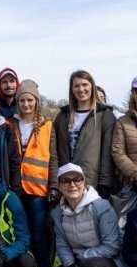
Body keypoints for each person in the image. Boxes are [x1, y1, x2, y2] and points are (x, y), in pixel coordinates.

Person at [51, 163, 131, 267]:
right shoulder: (58, 213)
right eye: (66, 181)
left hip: (108, 261)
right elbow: (62, 244)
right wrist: (70, 265)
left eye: (77, 180)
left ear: (84, 184)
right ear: (59, 187)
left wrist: (82, 258)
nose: (72, 185)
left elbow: (113, 245)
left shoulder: (101, 207)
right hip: (78, 262)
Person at [5, 80, 55, 267]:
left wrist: (54, 187)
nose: (26, 104)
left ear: (36, 101)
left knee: (39, 235)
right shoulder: (9, 124)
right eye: (22, 100)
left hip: (39, 190)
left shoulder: (48, 125)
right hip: (16, 189)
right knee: (18, 234)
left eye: (30, 100)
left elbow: (54, 157)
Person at [49, 70, 117, 199]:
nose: (81, 89)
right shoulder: (63, 115)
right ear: (72, 89)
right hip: (66, 182)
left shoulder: (105, 115)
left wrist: (105, 184)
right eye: (76, 86)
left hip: (92, 182)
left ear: (92, 86)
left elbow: (108, 154)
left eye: (85, 84)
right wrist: (54, 182)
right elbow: (54, 152)